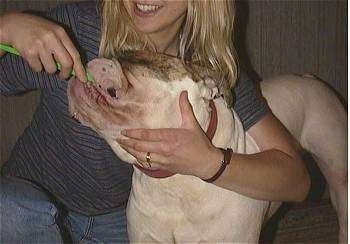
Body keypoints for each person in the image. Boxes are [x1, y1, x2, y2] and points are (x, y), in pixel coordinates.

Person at [0, 0, 310, 243]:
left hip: (118, 222)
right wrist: (5, 28)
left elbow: (296, 181)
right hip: (24, 206)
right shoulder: (78, 30)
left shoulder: (210, 70)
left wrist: (210, 162)